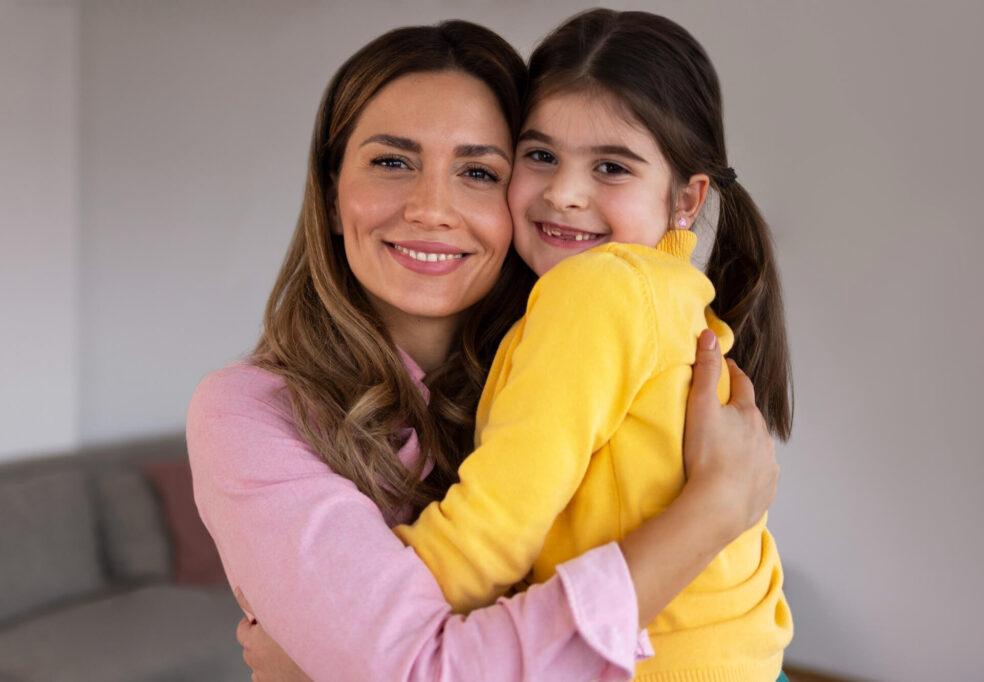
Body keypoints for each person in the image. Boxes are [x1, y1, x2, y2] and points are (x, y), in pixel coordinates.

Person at [188, 19, 777, 682]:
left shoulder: (570, 332)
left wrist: (323, 660)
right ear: (329, 193)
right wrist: (712, 513)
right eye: (391, 162)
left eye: (477, 170)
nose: (432, 208)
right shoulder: (249, 414)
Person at [391, 9, 794, 680]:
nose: (564, 194)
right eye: (541, 155)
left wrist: (343, 630)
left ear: (686, 199)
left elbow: (493, 527)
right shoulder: (670, 290)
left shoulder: (597, 292)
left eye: (610, 166)